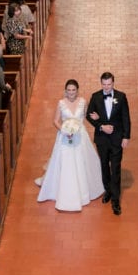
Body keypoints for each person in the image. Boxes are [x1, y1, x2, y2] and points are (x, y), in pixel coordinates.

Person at [36, 79, 106, 212]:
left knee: (83, 161)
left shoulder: (83, 102)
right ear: (65, 91)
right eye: (69, 90)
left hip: (80, 136)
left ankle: (85, 190)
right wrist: (64, 129)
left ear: (77, 91)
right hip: (65, 137)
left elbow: (87, 117)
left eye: (73, 90)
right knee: (66, 163)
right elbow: (55, 121)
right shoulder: (61, 103)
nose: (71, 93)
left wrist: (98, 118)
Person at [86, 72, 131, 215]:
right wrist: (101, 125)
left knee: (116, 168)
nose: (106, 87)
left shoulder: (121, 97)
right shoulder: (96, 97)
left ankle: (116, 200)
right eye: (104, 84)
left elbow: (126, 118)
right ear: (101, 83)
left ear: (113, 83)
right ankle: (108, 191)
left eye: (109, 84)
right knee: (104, 166)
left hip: (117, 139)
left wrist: (126, 137)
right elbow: (89, 115)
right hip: (102, 139)